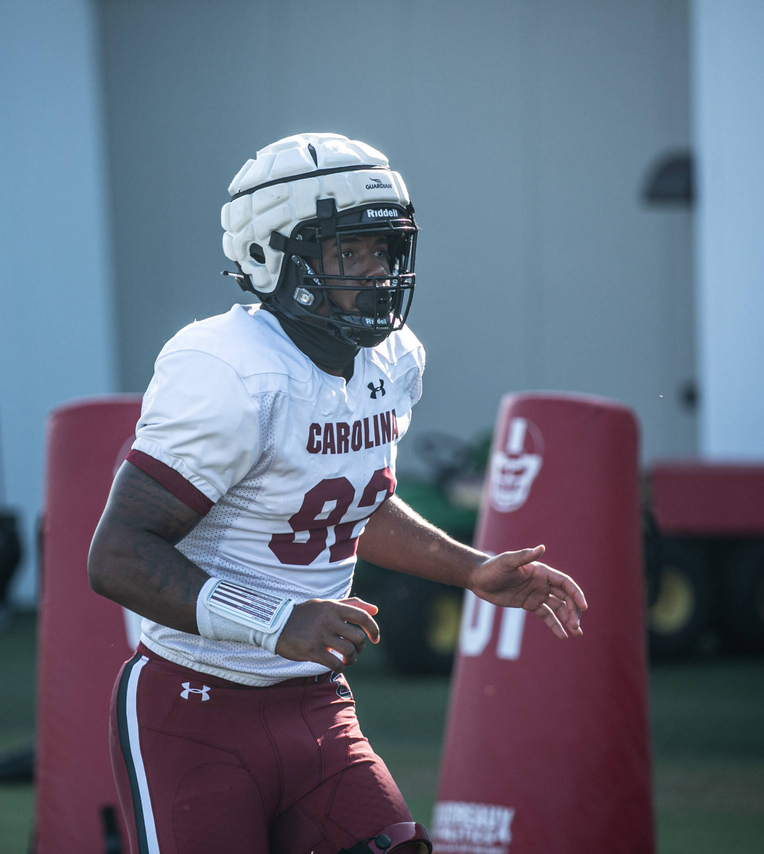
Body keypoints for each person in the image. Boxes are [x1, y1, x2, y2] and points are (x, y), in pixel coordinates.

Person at [88, 132, 588, 854]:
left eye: (383, 249)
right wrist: (276, 620)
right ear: (274, 254)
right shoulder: (231, 370)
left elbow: (352, 502)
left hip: (315, 704)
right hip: (193, 709)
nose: (377, 270)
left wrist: (471, 569)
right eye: (349, 251)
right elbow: (118, 554)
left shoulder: (391, 360)